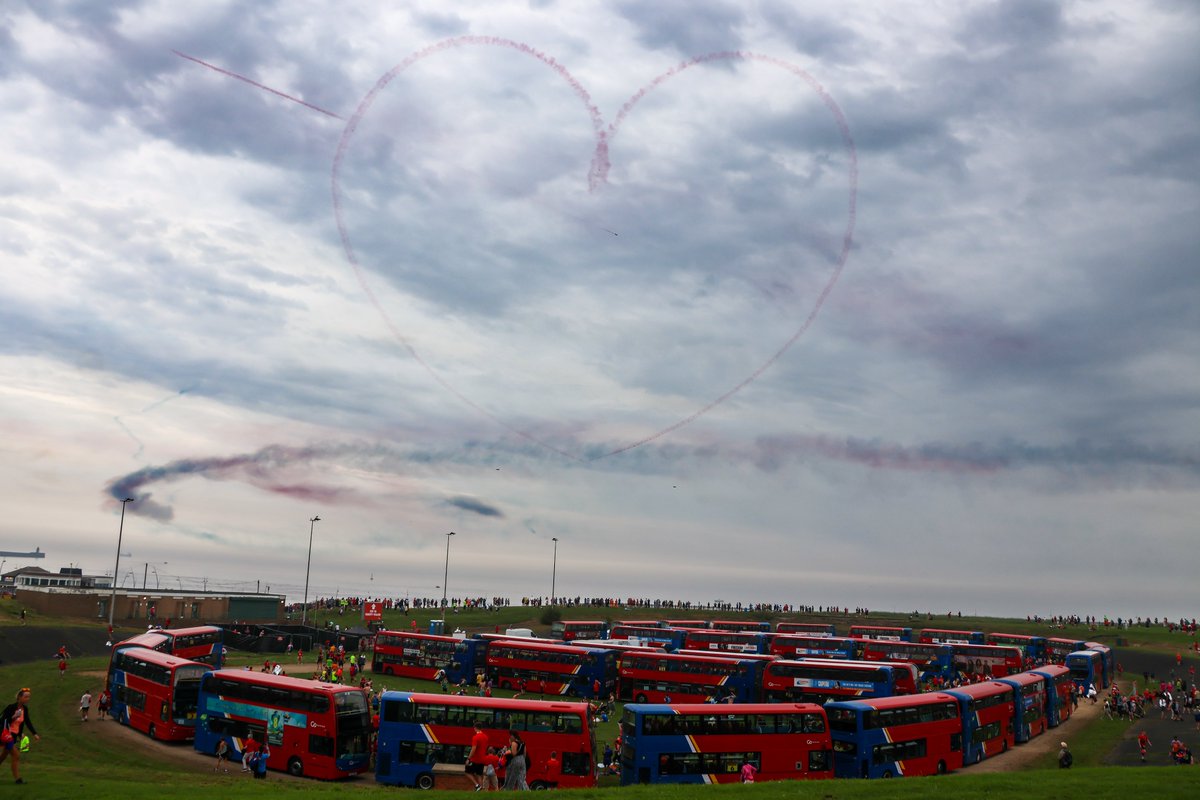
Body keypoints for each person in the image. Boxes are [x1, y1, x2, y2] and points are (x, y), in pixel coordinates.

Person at [0, 688, 40, 784]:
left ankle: (17, 779)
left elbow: (27, 722)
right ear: (19, 697)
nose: (27, 699)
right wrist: (13, 717)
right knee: (16, 755)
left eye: (28, 697)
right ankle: (18, 779)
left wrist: (34, 734)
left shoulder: (24, 709)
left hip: (12, 736)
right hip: (6, 735)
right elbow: (3, 720)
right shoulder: (11, 707)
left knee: (3, 756)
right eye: (25, 697)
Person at [466, 721, 489, 791]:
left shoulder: (475, 737)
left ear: (475, 728)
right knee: (479, 774)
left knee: (467, 772)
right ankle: (480, 789)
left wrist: (468, 758)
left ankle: (477, 785)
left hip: (475, 759)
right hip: (482, 759)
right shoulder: (485, 737)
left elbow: (473, 749)